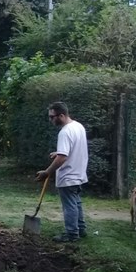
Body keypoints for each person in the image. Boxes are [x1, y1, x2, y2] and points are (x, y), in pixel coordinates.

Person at [35, 101, 89, 242]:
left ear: (62, 115)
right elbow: (72, 149)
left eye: (52, 117)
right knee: (76, 203)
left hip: (68, 175)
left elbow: (62, 158)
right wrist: (58, 153)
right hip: (79, 173)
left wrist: (47, 172)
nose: (50, 120)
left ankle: (72, 234)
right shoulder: (78, 126)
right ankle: (81, 229)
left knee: (70, 205)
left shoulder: (65, 132)